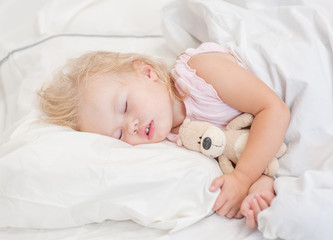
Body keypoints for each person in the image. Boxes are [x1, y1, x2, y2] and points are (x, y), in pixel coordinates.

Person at [38, 42, 290, 228]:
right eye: (118, 134)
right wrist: (259, 185)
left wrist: (243, 177)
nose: (132, 127)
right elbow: (239, 147)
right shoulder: (176, 138)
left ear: (148, 73)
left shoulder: (200, 73)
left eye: (124, 107)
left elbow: (273, 111)